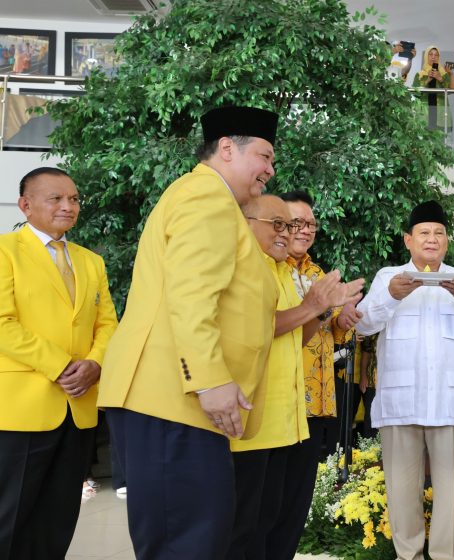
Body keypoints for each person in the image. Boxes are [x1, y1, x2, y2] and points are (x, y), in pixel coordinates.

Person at [98, 106, 281, 560]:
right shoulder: (207, 198)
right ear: (226, 149)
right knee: (186, 544)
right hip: (172, 401)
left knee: (198, 538)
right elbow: (193, 295)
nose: (270, 171)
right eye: (265, 156)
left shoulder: (204, 196)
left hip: (176, 405)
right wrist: (210, 379)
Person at [227, 194, 363, 560]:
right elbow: (261, 327)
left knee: (284, 514)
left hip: (302, 408)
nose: (293, 232)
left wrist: (329, 315)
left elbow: (308, 332)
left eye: (303, 225)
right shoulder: (250, 266)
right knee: (249, 522)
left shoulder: (302, 274)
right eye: (285, 224)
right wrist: (314, 308)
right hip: (258, 410)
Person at [357, 200, 454, 560]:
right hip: (401, 404)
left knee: (451, 493)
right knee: (401, 492)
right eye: (424, 233)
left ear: (448, 241)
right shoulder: (389, 278)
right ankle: (409, 556)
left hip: (449, 404)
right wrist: (390, 297)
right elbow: (362, 325)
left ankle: (450, 556)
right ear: (408, 239)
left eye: (439, 233)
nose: (432, 239)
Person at [0, 167, 118, 559]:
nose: (68, 206)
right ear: (25, 204)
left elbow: (109, 325)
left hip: (78, 408)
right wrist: (64, 365)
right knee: (9, 517)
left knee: (58, 518)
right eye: (56, 199)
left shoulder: (90, 262)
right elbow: (3, 324)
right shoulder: (4, 251)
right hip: (20, 410)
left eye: (74, 199)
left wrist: (96, 363)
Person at [280, 189, 362, 546]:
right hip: (280, 399)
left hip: (316, 401)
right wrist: (322, 310)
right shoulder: (269, 268)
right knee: (271, 500)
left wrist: (344, 318)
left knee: (298, 501)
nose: (305, 230)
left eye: (310, 223)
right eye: (297, 223)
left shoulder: (319, 273)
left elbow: (333, 336)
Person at [415, 46, 451, 130]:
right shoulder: (420, 74)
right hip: (424, 111)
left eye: (436, 55)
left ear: (439, 57)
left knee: (440, 141)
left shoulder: (444, 74)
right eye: (430, 54)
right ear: (426, 56)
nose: (433, 57)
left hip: (440, 111)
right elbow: (415, 92)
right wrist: (427, 80)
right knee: (423, 142)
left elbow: (449, 90)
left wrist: (440, 78)